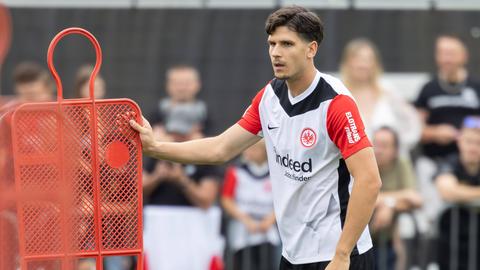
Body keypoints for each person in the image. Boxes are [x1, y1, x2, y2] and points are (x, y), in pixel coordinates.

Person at [129, 6, 381, 269]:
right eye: (272, 43)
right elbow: (220, 149)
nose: (276, 53)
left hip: (339, 255)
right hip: (294, 255)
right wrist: (155, 146)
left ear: (311, 49)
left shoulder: (336, 103)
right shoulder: (270, 97)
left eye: (287, 44)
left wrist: (342, 254)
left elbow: (370, 180)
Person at [340, 38, 421, 155]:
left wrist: (397, 148)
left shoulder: (388, 91)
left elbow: (413, 124)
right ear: (347, 63)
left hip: (391, 169)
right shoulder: (339, 94)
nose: (363, 64)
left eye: (368, 59)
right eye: (358, 59)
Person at [415, 35, 480, 160]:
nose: (447, 59)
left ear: (464, 56)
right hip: (435, 159)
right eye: (442, 54)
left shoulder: (476, 87)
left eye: (451, 54)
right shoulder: (428, 89)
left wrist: (468, 128)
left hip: (473, 160)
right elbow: (416, 129)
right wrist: (435, 133)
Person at [221, 140, 280, 270]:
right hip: (243, 230)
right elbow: (226, 200)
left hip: (267, 231)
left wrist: (270, 220)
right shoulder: (236, 171)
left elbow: (282, 199)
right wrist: (246, 220)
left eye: (253, 149)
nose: (248, 152)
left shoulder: (276, 172)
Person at [371, 127, 422, 270]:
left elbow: (415, 198)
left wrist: (390, 205)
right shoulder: (363, 162)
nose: (378, 150)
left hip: (386, 240)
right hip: (358, 240)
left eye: (384, 146)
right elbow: (357, 199)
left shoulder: (401, 163)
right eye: (375, 144)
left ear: (395, 150)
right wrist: (388, 202)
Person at [435, 116, 480, 270]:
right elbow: (447, 191)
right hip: (451, 245)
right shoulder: (448, 163)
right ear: (459, 141)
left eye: (478, 143)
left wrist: (463, 194)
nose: (473, 147)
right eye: (469, 141)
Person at [149, 64, 209, 141]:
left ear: (197, 85)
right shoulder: (159, 110)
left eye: (187, 83)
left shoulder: (203, 111)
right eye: (177, 83)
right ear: (168, 85)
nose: (182, 88)